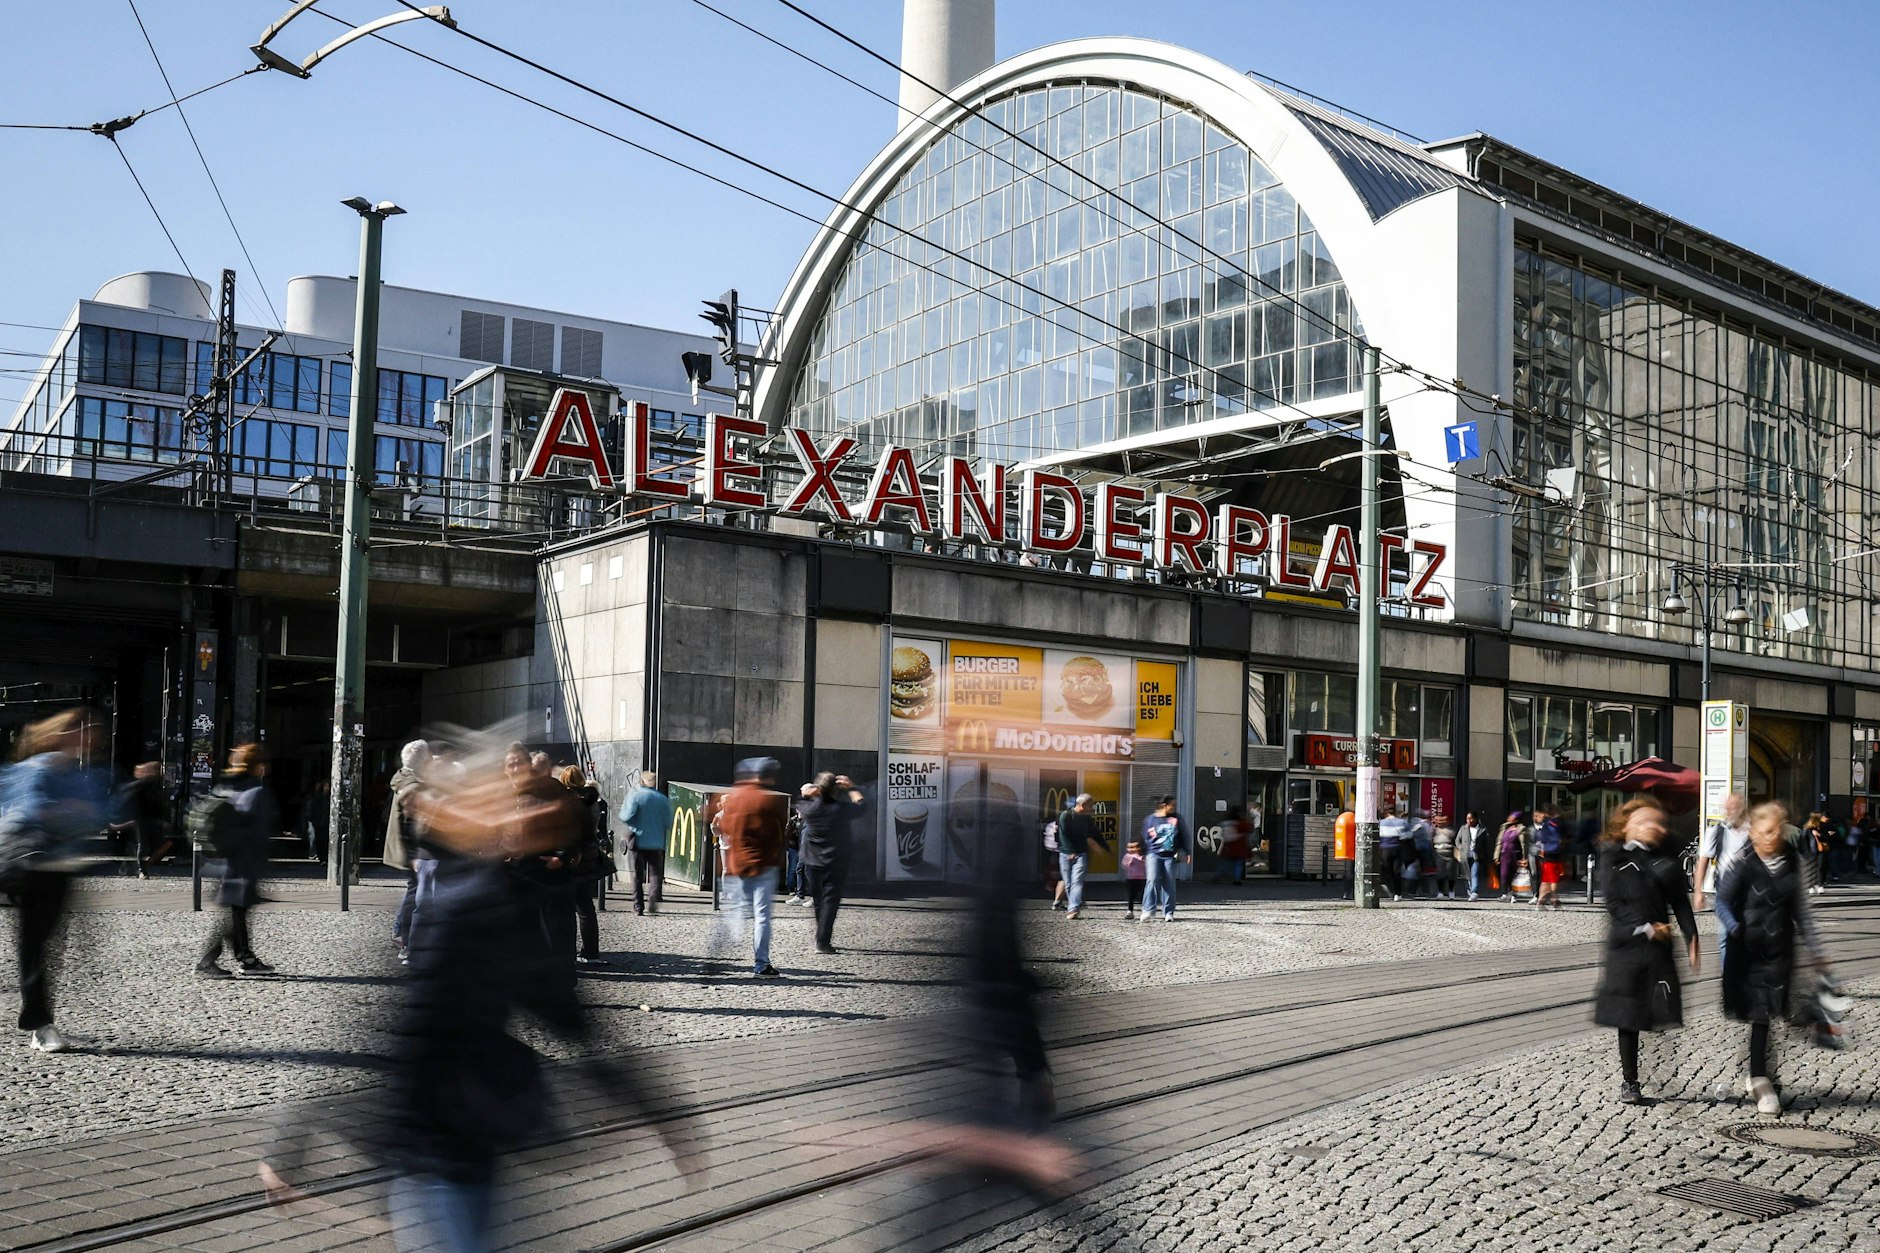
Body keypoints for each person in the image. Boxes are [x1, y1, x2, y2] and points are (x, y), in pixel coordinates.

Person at [0, 708, 107, 1051]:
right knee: (35, 947)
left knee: (46, 947)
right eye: (83, 729)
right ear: (63, 733)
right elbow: (35, 810)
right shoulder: (37, 768)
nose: (90, 736)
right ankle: (41, 1024)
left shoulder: (81, 775)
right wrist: (72, 812)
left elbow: (96, 816)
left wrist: (69, 813)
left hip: (60, 870)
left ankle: (39, 1020)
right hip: (28, 869)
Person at [1716, 802, 1831, 1116]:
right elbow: (1722, 902)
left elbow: (1801, 913)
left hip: (1780, 952)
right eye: (1765, 832)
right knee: (1761, 1015)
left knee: (1771, 1015)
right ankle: (1760, 1078)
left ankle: (1760, 1072)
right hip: (1749, 954)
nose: (1771, 837)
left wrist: (1816, 950)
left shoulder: (1793, 864)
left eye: (1776, 831)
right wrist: (1736, 928)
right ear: (1753, 833)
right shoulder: (1742, 864)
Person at [1593, 797, 1699, 1105]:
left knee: (1658, 1011)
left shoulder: (1666, 862)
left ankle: (1661, 1070)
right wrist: (1649, 927)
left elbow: (1680, 902)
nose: (1652, 827)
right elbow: (1614, 905)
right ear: (1625, 827)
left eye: (1657, 822)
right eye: (1643, 822)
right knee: (1628, 1015)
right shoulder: (1613, 859)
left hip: (1658, 952)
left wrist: (1692, 936)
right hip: (1625, 948)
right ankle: (1630, 1080)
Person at [197, 743, 279, 980]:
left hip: (225, 861)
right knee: (233, 917)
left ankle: (246, 957)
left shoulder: (226, 787)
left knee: (236, 914)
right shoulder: (257, 791)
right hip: (243, 863)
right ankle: (207, 963)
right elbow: (260, 831)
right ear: (259, 766)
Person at [715, 757, 788, 976]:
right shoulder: (768, 801)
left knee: (735, 913)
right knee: (762, 916)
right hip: (763, 866)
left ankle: (719, 957)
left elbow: (724, 826)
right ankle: (761, 963)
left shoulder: (735, 797)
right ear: (769, 776)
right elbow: (778, 835)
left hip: (737, 865)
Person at [797, 772, 857, 953]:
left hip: (812, 862)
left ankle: (820, 938)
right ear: (836, 790)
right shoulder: (841, 808)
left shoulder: (808, 808)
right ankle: (822, 942)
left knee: (818, 901)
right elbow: (863, 805)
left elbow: (803, 795)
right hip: (835, 861)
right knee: (830, 902)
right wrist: (852, 787)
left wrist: (814, 790)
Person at [557, 766, 610, 967]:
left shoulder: (568, 802)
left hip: (571, 856)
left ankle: (566, 950)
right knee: (586, 907)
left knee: (566, 907)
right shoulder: (592, 801)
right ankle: (591, 951)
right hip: (589, 856)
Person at [386, 740, 431, 965]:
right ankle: (406, 941)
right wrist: (413, 853)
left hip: (413, 851)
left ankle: (401, 935)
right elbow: (409, 823)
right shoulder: (414, 786)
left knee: (412, 893)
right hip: (417, 851)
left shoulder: (403, 779)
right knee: (415, 896)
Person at [622, 770, 672, 916]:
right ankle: (653, 901)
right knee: (656, 874)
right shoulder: (662, 799)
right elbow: (668, 821)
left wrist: (635, 826)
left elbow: (626, 816)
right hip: (656, 842)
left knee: (637, 875)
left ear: (642, 781)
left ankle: (638, 906)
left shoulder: (635, 795)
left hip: (637, 840)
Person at [1055, 793, 1106, 919]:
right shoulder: (1066, 816)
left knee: (1077, 882)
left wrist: (1098, 845)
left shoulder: (1086, 818)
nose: (1093, 808)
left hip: (1081, 853)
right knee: (1068, 883)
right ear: (1083, 805)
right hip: (1065, 854)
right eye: (1091, 805)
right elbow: (1063, 834)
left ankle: (1073, 909)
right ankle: (1073, 904)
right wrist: (1070, 851)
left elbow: (1091, 833)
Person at [1139, 796, 1190, 921]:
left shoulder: (1177, 818)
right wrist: (1142, 853)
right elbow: (1144, 837)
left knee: (1169, 883)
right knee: (1152, 880)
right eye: (1172, 805)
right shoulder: (1150, 820)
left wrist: (1187, 851)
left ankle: (1168, 912)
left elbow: (1184, 834)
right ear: (1164, 805)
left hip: (1170, 855)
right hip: (1153, 854)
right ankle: (1148, 909)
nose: (1174, 807)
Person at [125, 760, 174, 879]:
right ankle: (141, 868)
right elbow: (150, 802)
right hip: (143, 817)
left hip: (148, 817)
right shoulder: (145, 785)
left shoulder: (152, 784)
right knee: (143, 843)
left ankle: (140, 866)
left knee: (145, 843)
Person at [1534, 806, 1565, 910]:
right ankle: (1554, 900)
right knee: (1553, 880)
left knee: (1546, 880)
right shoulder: (1552, 825)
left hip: (1547, 855)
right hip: (1553, 855)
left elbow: (1539, 840)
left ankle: (1541, 902)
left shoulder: (1546, 825)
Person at [1378, 806, 1408, 900]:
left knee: (1386, 870)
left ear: (1386, 813)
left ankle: (1389, 890)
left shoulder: (1381, 823)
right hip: (1398, 848)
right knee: (1397, 872)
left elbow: (1379, 835)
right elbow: (1408, 835)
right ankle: (1397, 894)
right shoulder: (1402, 822)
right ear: (1395, 812)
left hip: (1384, 849)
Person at [1215, 808, 1251, 885]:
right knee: (1238, 864)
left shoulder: (1226, 823)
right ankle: (1236, 879)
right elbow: (1249, 828)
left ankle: (1217, 875)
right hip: (1239, 846)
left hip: (1229, 846)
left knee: (1227, 863)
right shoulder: (1240, 823)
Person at [1462, 812, 1492, 902]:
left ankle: (1474, 892)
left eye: (1471, 818)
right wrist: (1461, 848)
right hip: (1465, 855)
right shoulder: (1463, 829)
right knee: (1466, 875)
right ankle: (1470, 890)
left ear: (1475, 819)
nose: (1469, 821)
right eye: (1467, 818)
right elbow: (1457, 840)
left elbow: (1486, 843)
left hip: (1477, 855)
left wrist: (1486, 855)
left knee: (1474, 874)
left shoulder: (1482, 829)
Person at [1497, 813, 1524, 903]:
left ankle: (1514, 895)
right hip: (1504, 855)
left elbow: (1524, 844)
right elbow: (1499, 843)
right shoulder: (1504, 828)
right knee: (1504, 875)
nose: (1509, 818)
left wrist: (1524, 857)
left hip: (1515, 855)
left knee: (1514, 876)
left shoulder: (1520, 829)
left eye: (1512, 817)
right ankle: (1505, 893)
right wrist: (1496, 855)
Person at [1431, 812, 1459, 900]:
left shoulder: (1452, 830)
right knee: (1440, 874)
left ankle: (1451, 891)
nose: (1439, 822)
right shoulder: (1434, 830)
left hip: (1450, 853)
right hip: (1438, 853)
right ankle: (1440, 892)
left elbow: (1456, 841)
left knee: (1451, 874)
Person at [1121, 837, 1147, 919]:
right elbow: (1124, 865)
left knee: (1143, 895)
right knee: (1131, 896)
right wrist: (1128, 863)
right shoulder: (1127, 856)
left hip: (1142, 879)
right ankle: (1130, 910)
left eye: (1133, 847)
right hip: (1130, 879)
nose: (1130, 849)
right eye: (1129, 847)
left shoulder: (1143, 856)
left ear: (1139, 847)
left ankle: (1145, 910)